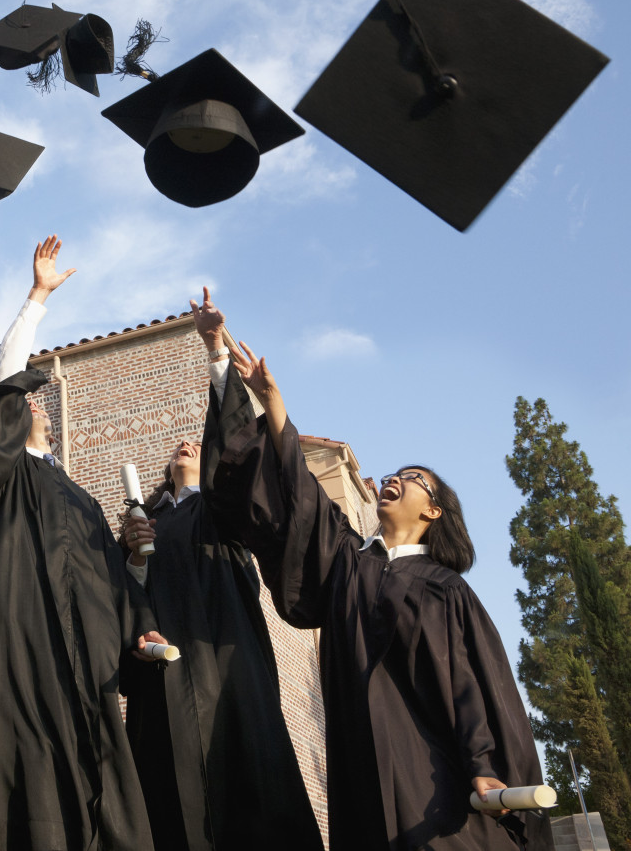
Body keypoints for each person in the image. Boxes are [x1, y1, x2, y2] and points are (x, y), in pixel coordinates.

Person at [204, 304, 553, 851]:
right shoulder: (348, 561)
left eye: (413, 479)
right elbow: (299, 493)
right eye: (394, 473)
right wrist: (266, 398)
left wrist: (481, 764)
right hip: (360, 770)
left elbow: (467, 682)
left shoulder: (444, 588)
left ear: (434, 511)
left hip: (432, 773)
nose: (395, 479)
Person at [0, 235, 166, 851]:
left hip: (87, 662)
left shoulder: (81, 497)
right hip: (25, 645)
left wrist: (141, 618)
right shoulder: (3, 472)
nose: (31, 406)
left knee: (98, 783)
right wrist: (36, 298)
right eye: (23, 403)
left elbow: (112, 585)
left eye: (33, 403)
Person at [115, 292, 324, 851]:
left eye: (195, 443)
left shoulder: (220, 508)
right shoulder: (144, 523)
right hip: (166, 675)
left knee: (251, 785)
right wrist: (134, 559)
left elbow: (235, 451)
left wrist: (214, 350)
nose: (187, 444)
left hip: (230, 659)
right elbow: (121, 603)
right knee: (171, 798)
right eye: (177, 446)